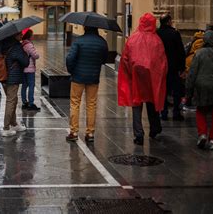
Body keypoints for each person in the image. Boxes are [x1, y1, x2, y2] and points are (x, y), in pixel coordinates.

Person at [118, 13, 167, 145]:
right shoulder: (156, 40)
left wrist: (130, 73)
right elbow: (162, 60)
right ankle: (155, 129)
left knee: (137, 104)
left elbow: (125, 59)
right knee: (152, 103)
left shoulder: (133, 38)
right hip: (152, 77)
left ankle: (138, 134)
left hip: (136, 76)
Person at [65, 26, 108, 142]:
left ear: (85, 27)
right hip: (93, 77)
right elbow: (104, 59)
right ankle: (90, 133)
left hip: (78, 77)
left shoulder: (79, 41)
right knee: (91, 104)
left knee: (75, 103)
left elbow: (70, 59)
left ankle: (73, 132)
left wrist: (71, 70)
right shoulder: (102, 42)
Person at [157, 13, 186, 121]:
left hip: (161, 68)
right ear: (169, 21)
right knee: (176, 91)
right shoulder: (174, 33)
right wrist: (182, 68)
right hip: (173, 67)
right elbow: (180, 51)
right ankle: (176, 112)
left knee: (163, 90)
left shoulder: (157, 33)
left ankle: (163, 112)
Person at [0, 33, 29, 137]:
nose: (21, 35)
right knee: (11, 102)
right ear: (14, 36)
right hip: (12, 78)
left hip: (3, 77)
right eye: (19, 34)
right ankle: (6, 128)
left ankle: (14, 123)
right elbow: (25, 62)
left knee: (13, 100)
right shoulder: (16, 47)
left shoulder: (4, 45)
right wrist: (25, 52)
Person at [21, 29, 40, 110]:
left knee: (24, 85)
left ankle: (24, 102)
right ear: (29, 36)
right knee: (31, 86)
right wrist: (37, 53)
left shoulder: (22, 44)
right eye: (32, 35)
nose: (33, 36)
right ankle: (31, 103)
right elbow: (35, 56)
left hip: (23, 68)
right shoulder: (29, 45)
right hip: (30, 69)